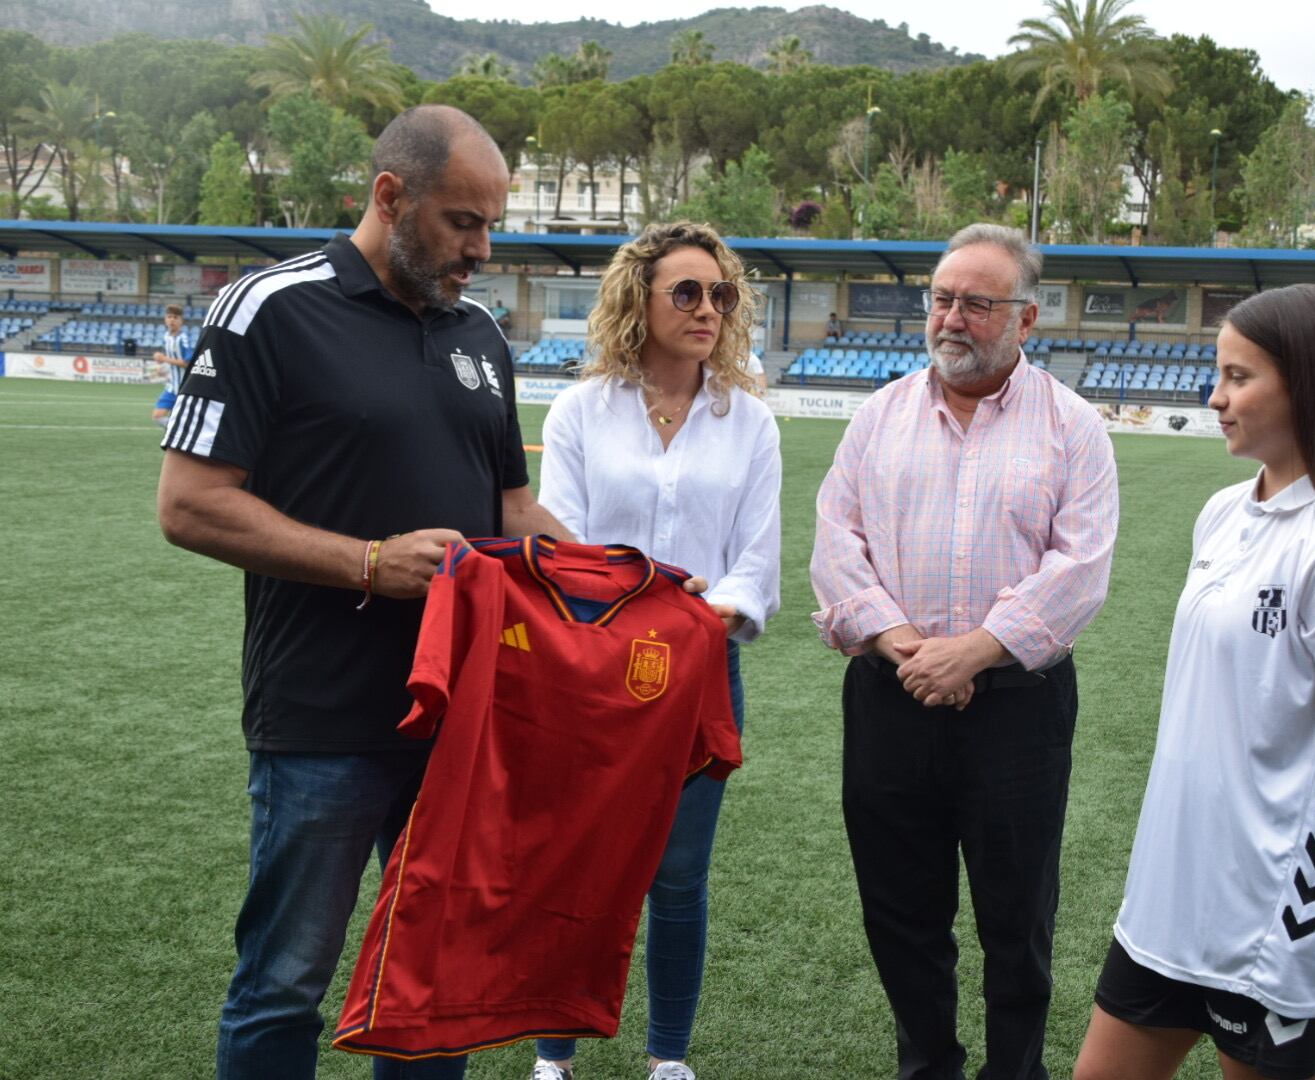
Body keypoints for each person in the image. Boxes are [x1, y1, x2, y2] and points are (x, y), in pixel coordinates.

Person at [156, 105, 583, 1080]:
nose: (483, 248)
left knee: (433, 981)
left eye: (491, 224)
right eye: (462, 222)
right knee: (284, 984)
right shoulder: (271, 308)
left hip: (460, 722)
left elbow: (512, 507)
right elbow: (188, 504)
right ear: (390, 197)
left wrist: (623, 586)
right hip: (322, 721)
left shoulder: (480, 334)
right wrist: (367, 562)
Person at [1072, 283, 1315, 1080]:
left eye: (1239, 377)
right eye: (1218, 373)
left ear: (1309, 385)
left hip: (1278, 905)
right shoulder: (1224, 512)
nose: (1215, 397)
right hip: (1175, 886)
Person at [810, 223, 1119, 1080]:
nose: (954, 318)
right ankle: (929, 1064)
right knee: (900, 911)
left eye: (978, 304)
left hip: (1017, 708)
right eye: (943, 299)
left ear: (1025, 320)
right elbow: (836, 544)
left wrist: (975, 653)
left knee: (1016, 916)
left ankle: (1015, 1071)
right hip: (890, 700)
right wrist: (913, 649)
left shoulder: (1073, 427)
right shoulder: (879, 417)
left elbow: (1081, 569)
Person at [530, 220, 782, 1080]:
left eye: (721, 294)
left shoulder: (749, 421)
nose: (707, 307)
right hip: (592, 675)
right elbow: (561, 548)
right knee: (579, 866)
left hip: (703, 675)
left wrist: (702, 621)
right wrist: (642, 619)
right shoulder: (578, 410)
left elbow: (756, 566)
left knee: (678, 879)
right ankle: (553, 1057)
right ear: (638, 299)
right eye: (686, 291)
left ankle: (668, 1058)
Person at [150, 303, 191, 425]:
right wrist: (162, 366)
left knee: (180, 418)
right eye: (169, 317)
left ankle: (178, 434)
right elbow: (171, 359)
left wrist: (164, 358)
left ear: (181, 321)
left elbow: (187, 363)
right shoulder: (166, 336)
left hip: (184, 388)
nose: (172, 320)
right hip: (171, 387)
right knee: (157, 416)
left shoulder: (183, 338)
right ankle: (176, 433)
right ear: (165, 319)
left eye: (175, 317)